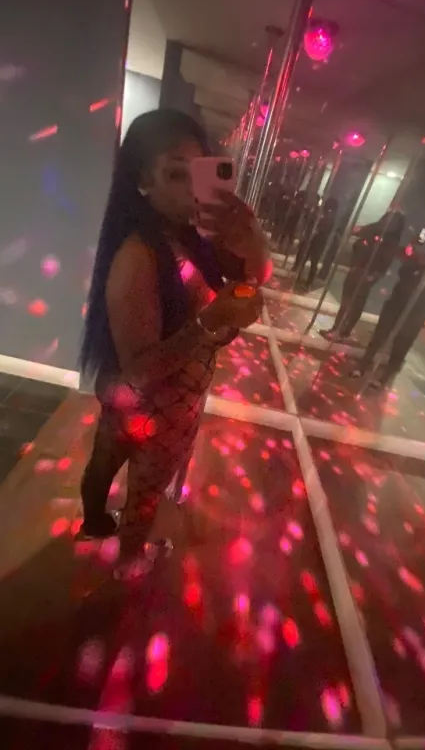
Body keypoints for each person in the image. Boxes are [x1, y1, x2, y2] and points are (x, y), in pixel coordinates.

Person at [78, 109, 268, 576]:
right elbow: (141, 368)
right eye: (175, 174)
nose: (190, 189)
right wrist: (212, 320)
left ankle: (94, 523)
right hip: (160, 409)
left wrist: (252, 243)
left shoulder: (191, 239)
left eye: (197, 173)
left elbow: (251, 281)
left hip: (137, 400)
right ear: (144, 180)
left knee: (105, 461)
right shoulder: (138, 254)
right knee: (144, 490)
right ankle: (128, 561)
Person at [351, 227, 425, 389]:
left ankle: (384, 377)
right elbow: (404, 269)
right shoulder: (422, 258)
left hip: (418, 309)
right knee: (380, 335)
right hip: (398, 301)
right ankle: (364, 365)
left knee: (402, 342)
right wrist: (416, 256)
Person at [320, 210, 405, 341]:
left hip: (366, 272)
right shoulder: (377, 230)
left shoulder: (390, 239)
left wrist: (373, 275)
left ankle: (341, 331)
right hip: (359, 269)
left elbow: (384, 260)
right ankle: (339, 330)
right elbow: (358, 233)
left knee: (353, 303)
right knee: (348, 302)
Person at [303, 197, 339, 288]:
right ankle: (305, 280)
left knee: (313, 262)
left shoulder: (330, 217)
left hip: (319, 241)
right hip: (316, 240)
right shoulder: (322, 212)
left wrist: (317, 230)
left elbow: (325, 228)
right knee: (307, 258)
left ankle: (308, 282)